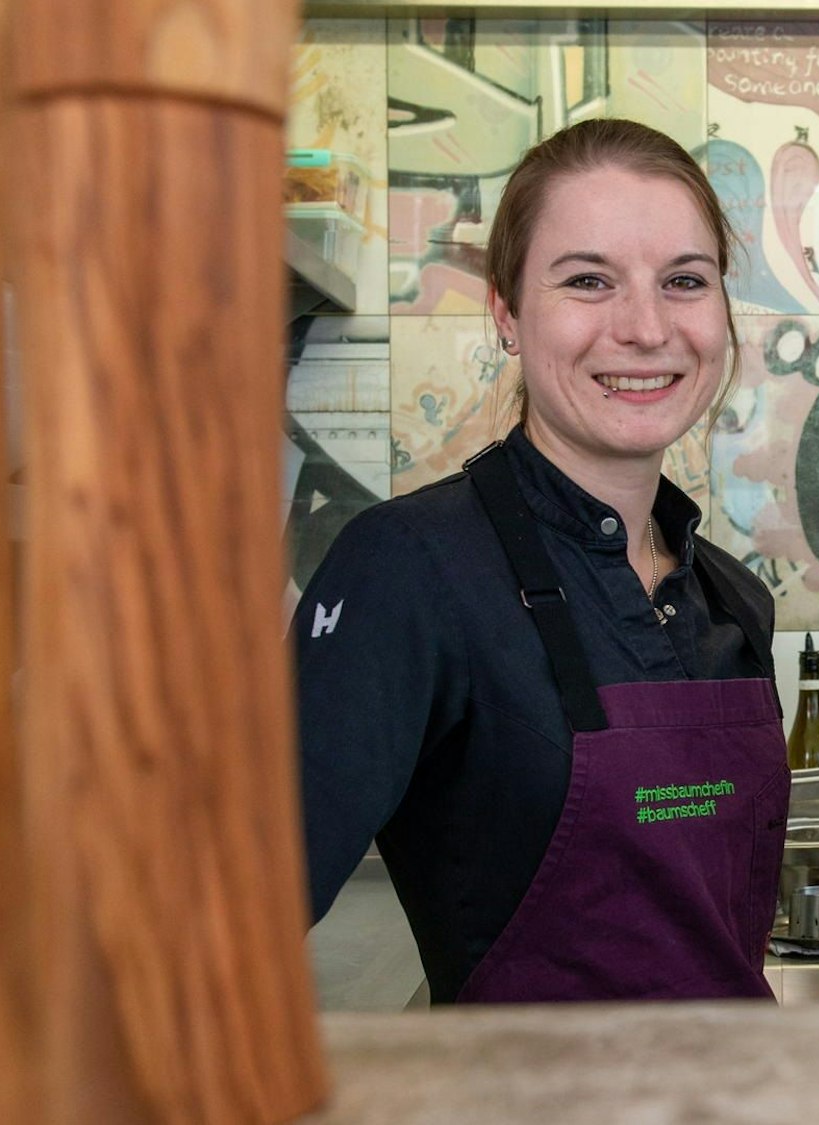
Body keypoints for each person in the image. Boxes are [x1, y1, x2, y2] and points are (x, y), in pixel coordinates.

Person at [291, 119, 788, 1005]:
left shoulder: (732, 596)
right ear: (507, 312)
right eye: (588, 281)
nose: (645, 328)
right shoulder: (409, 570)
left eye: (684, 281)